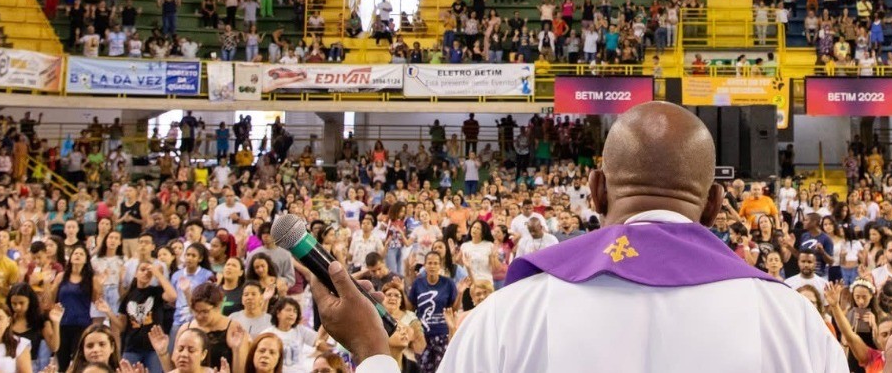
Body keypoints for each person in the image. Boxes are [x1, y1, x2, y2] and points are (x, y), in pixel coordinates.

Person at [306, 102, 848, 373]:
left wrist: (373, 351)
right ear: (712, 206)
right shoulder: (791, 321)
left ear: (595, 190)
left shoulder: (509, 314)